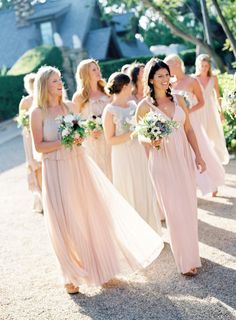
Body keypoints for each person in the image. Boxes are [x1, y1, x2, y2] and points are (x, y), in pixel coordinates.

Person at [30, 66, 164, 294]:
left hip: (78, 166)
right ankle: (70, 274)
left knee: (89, 214)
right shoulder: (38, 113)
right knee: (65, 220)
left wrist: (81, 135)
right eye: (54, 81)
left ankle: (99, 267)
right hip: (55, 170)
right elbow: (39, 147)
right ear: (44, 85)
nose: (60, 83)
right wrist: (66, 141)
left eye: (60, 79)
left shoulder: (70, 107)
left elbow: (80, 135)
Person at [136, 58, 205, 276]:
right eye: (160, 76)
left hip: (183, 157)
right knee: (174, 212)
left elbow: (189, 129)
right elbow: (140, 136)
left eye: (167, 75)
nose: (165, 79)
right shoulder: (144, 107)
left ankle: (192, 255)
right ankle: (185, 262)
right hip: (162, 161)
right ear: (151, 79)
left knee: (188, 207)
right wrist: (151, 141)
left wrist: (199, 156)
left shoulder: (179, 100)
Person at [103, 72, 162, 232]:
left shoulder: (133, 106)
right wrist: (132, 132)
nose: (132, 88)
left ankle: (150, 229)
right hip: (122, 155)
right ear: (123, 86)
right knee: (128, 188)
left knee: (143, 186)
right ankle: (134, 232)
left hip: (138, 152)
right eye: (129, 85)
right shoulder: (109, 110)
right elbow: (110, 139)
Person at [164, 54, 225, 197]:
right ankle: (193, 185)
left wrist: (187, 111)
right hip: (178, 124)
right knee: (185, 154)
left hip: (192, 121)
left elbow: (201, 102)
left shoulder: (192, 81)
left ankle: (213, 180)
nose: (166, 70)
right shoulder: (170, 84)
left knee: (201, 150)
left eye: (168, 66)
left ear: (177, 64)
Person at [72, 59, 112, 180]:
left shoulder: (107, 91)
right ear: (85, 74)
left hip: (110, 139)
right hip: (93, 141)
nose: (98, 71)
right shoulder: (79, 97)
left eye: (98, 68)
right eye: (94, 69)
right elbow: (75, 123)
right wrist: (89, 130)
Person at [194, 54, 229, 164]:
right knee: (200, 134)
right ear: (198, 65)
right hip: (198, 109)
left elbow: (218, 96)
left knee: (213, 133)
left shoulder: (213, 78)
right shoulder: (194, 79)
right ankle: (202, 158)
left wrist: (221, 111)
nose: (204, 68)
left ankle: (214, 158)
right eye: (202, 65)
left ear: (209, 66)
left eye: (206, 66)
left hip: (211, 109)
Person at [19, 73, 43, 213]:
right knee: (35, 165)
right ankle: (41, 197)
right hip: (29, 136)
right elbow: (21, 120)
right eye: (30, 84)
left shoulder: (41, 99)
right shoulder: (25, 102)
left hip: (40, 132)